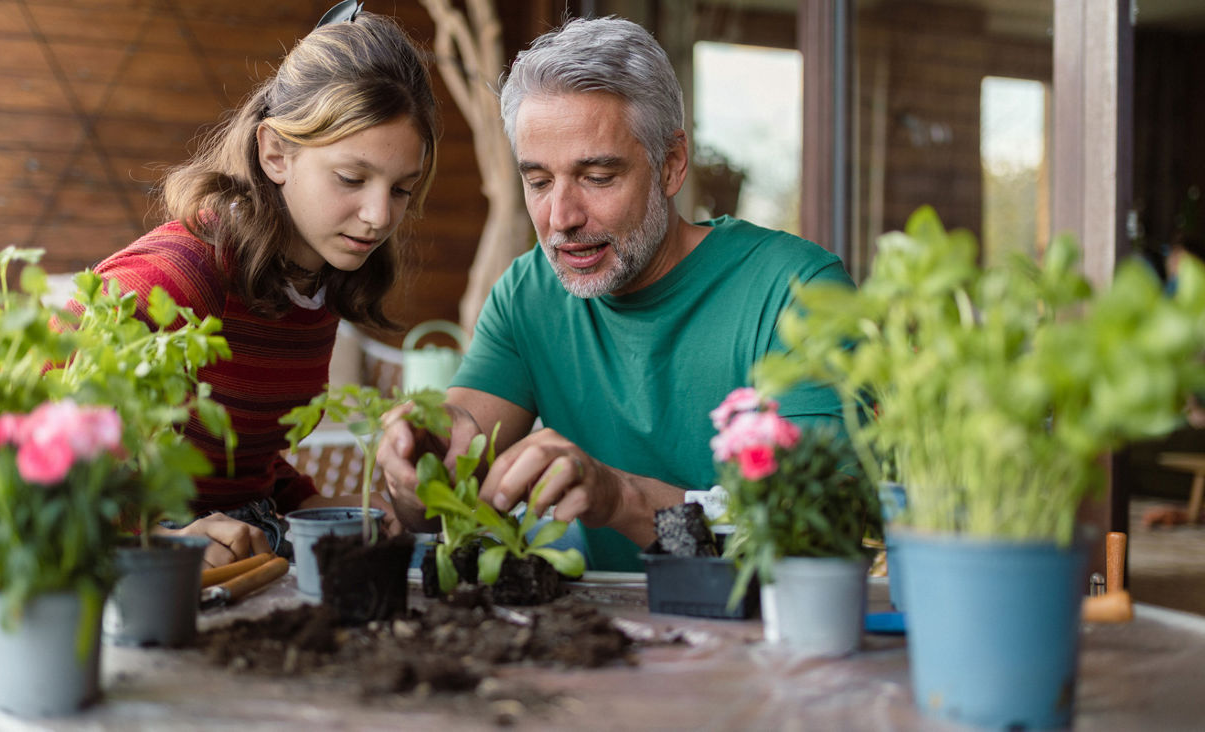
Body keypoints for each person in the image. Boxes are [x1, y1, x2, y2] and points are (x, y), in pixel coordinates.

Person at [377, 16, 851, 572]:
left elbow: (821, 533)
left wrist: (621, 498)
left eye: (597, 177)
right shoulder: (528, 295)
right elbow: (435, 501)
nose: (561, 218)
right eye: (538, 181)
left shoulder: (797, 293)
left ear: (671, 164)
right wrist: (413, 472)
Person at [79, 10, 439, 568]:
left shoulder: (318, 279)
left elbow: (249, 460)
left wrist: (315, 504)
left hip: (252, 546)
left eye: (402, 190)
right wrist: (155, 542)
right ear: (275, 153)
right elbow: (43, 435)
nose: (377, 215)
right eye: (352, 178)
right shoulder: (177, 276)